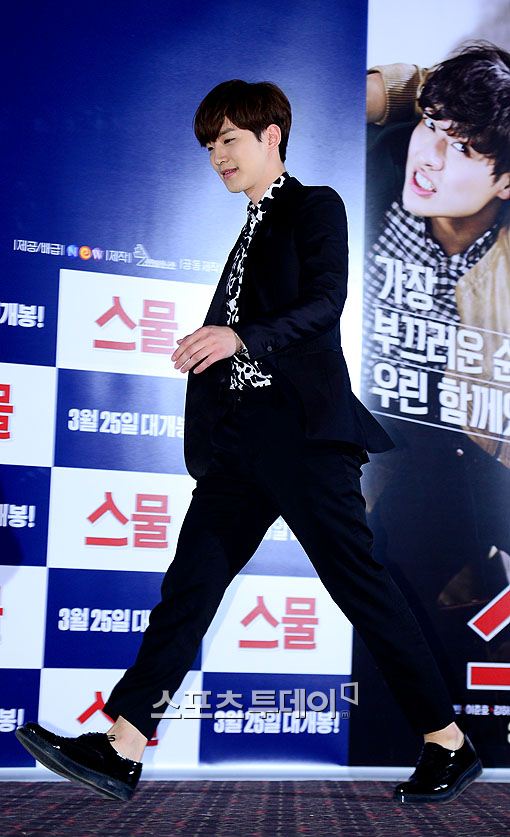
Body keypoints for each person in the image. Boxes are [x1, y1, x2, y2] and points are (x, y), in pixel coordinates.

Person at [16, 79, 481, 804]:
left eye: (229, 140)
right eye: (209, 146)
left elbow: (325, 302)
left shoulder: (314, 205)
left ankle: (447, 742)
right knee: (190, 587)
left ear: (272, 137)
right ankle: (122, 745)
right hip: (240, 443)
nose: (217, 157)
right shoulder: (250, 226)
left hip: (303, 436)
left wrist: (240, 337)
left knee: (361, 587)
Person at [359, 44, 510, 748]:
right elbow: (325, 97)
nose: (432, 158)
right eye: (433, 129)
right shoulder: (376, 164)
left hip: (451, 464)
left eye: (464, 149)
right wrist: (411, 94)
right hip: (351, 424)